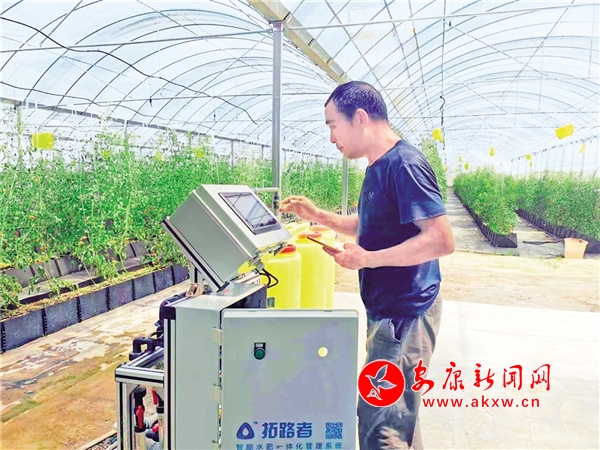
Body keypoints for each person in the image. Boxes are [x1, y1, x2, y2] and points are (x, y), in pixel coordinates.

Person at [279, 81, 455, 449]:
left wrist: (367, 260)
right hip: (390, 313)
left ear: (360, 118)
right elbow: (369, 224)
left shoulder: (404, 164)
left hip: (405, 315)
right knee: (397, 420)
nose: (331, 138)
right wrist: (318, 215)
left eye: (333, 126)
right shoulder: (378, 167)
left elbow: (441, 239)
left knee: (382, 427)